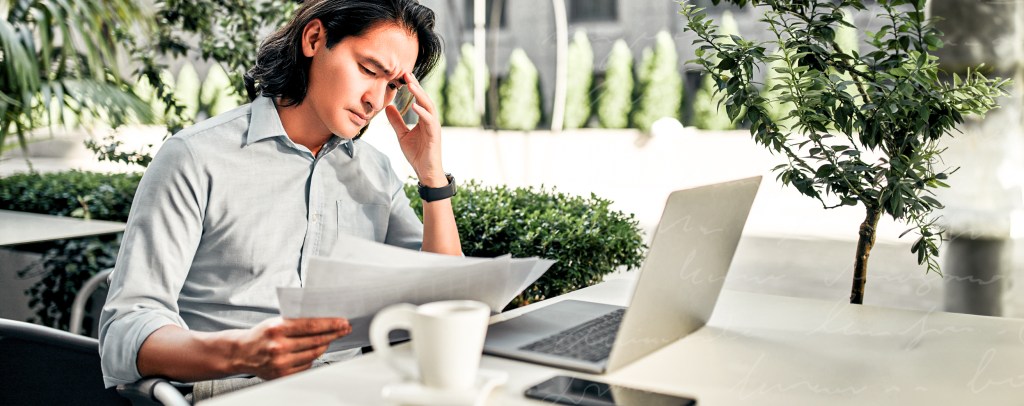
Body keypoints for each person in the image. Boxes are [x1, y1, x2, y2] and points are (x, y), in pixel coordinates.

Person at [98, 0, 458, 399]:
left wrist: (431, 175)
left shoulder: (375, 173)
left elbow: (447, 306)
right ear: (314, 38)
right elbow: (124, 331)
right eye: (368, 69)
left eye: (392, 86)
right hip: (232, 391)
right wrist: (243, 352)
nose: (376, 99)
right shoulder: (196, 157)